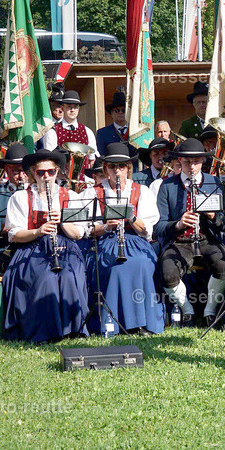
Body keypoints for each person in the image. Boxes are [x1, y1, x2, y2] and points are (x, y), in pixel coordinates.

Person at [0, 149, 89, 343]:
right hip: (32, 249)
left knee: (68, 276)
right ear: (33, 173)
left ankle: (73, 328)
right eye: (41, 172)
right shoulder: (21, 197)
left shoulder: (71, 196)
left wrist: (63, 221)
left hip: (65, 247)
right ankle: (44, 331)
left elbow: (79, 234)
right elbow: (15, 235)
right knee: (46, 278)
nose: (46, 176)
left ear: (58, 172)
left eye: (51, 172)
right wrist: (39, 231)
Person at [87, 142, 164, 335]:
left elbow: (147, 231)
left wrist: (131, 217)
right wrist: (106, 226)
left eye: (121, 166)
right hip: (105, 241)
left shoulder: (141, 191)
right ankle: (112, 323)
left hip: (135, 240)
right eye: (112, 166)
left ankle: (143, 322)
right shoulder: (93, 192)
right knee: (114, 267)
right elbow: (86, 229)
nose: (117, 171)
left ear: (128, 168)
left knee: (141, 264)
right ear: (105, 169)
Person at [154, 138, 225, 327]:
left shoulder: (214, 183)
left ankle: (209, 311)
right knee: (167, 272)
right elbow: (159, 227)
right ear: (179, 161)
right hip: (179, 240)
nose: (192, 167)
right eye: (187, 162)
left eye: (196, 161)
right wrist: (179, 224)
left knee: (224, 263)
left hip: (207, 238)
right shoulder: (167, 186)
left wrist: (213, 215)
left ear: (203, 161)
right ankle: (187, 309)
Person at [0, 143, 29, 275]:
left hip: (33, 247)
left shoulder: (37, 192)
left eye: (24, 170)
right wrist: (0, 229)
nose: (21, 176)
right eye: (16, 171)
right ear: (6, 169)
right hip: (5, 249)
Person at [42, 90, 98, 155]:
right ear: (62, 108)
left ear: (79, 109)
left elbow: (92, 158)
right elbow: (50, 157)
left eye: (75, 107)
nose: (72, 110)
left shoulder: (87, 132)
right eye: (69, 107)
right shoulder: (52, 132)